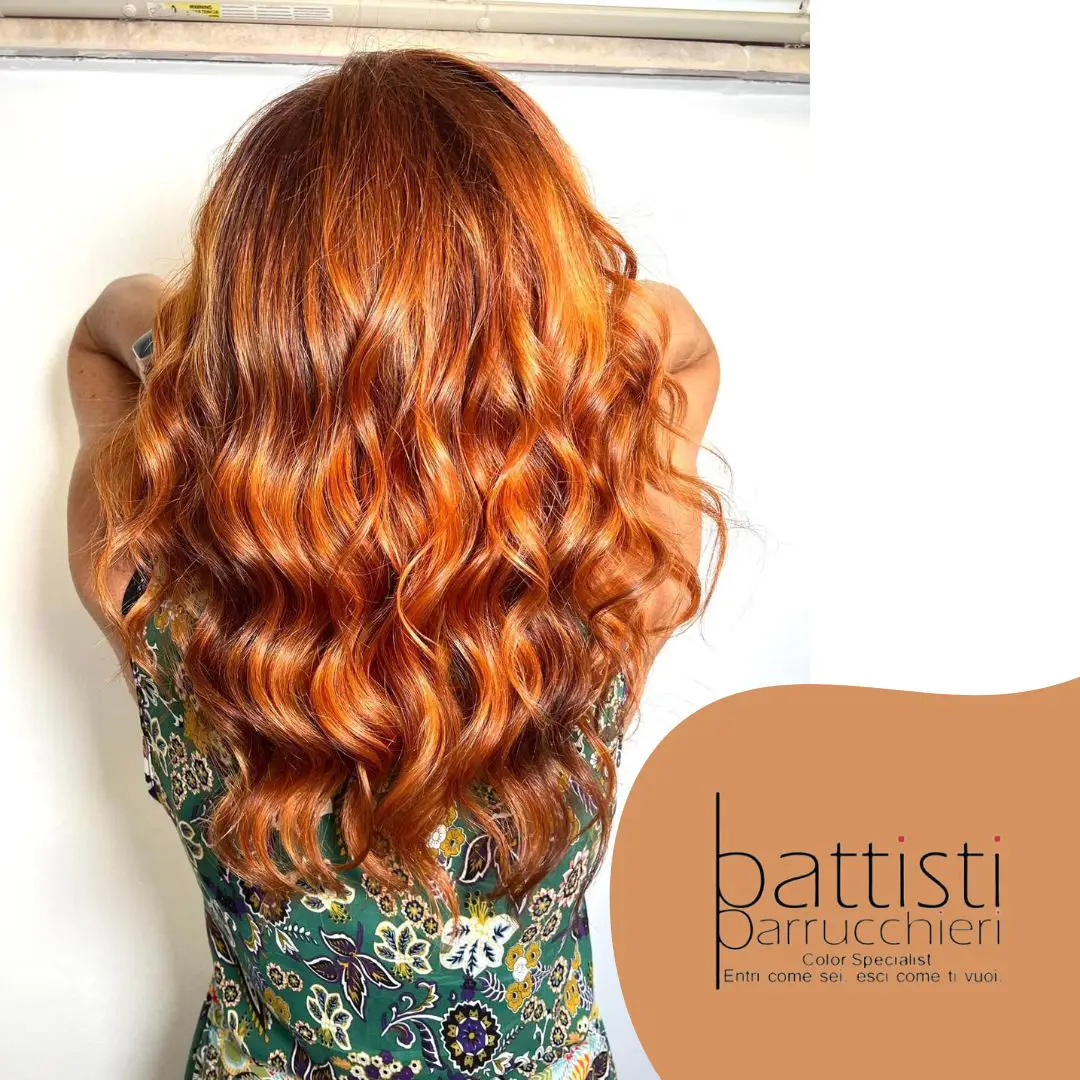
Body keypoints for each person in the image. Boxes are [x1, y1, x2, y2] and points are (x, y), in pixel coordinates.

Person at [66, 49, 723, 1080]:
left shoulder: (147, 580)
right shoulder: (614, 581)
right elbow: (680, 339)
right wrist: (530, 341)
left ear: (246, 329)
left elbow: (105, 329)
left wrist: (227, 351)